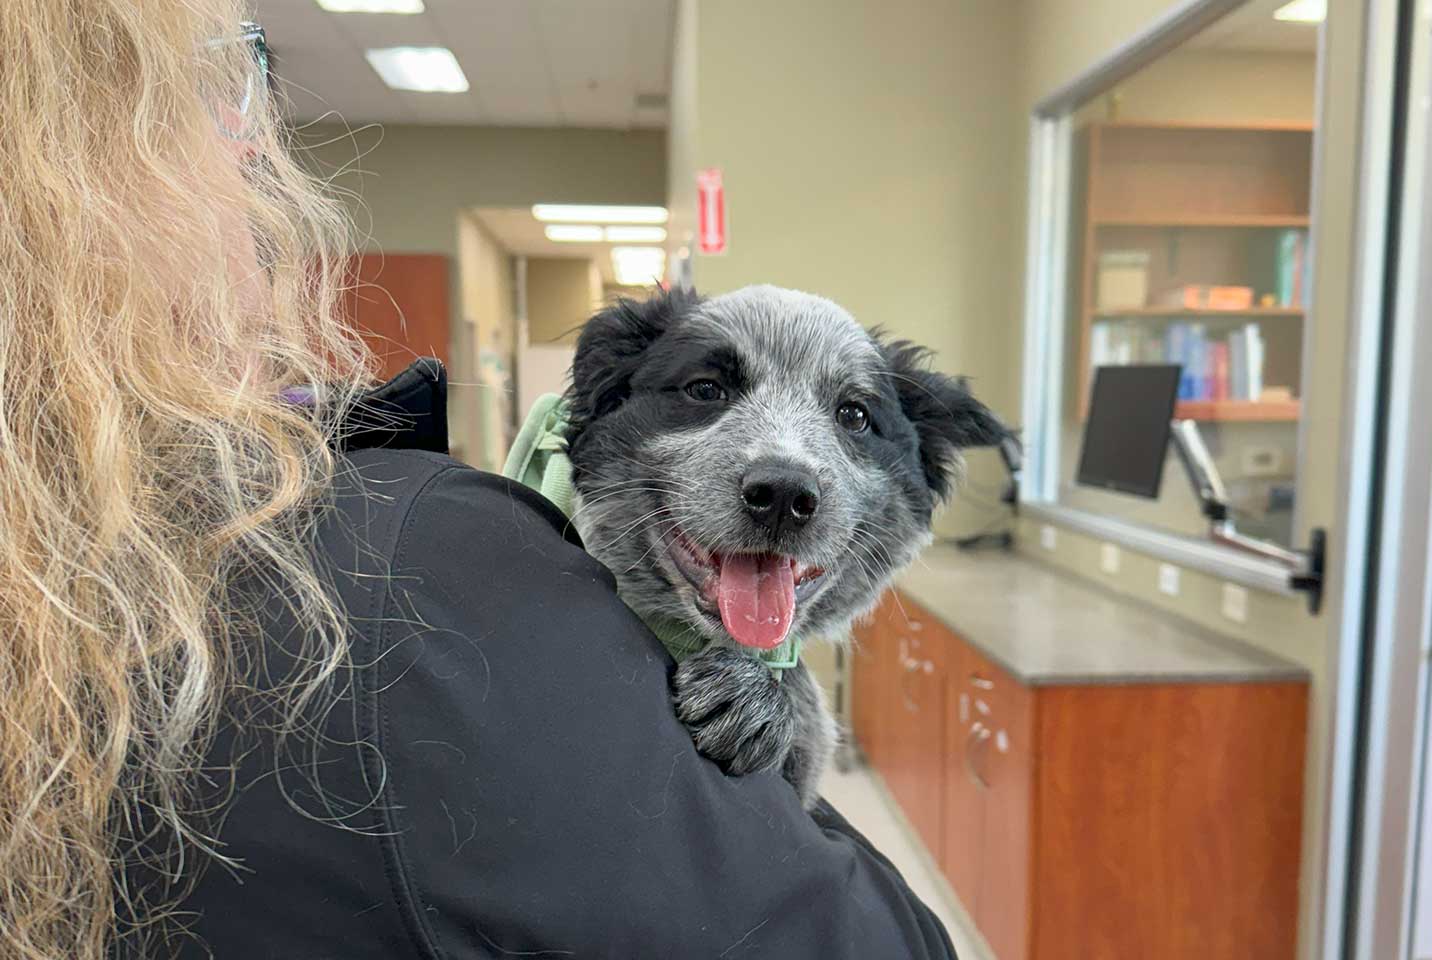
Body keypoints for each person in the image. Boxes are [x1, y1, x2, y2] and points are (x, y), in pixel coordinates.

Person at [0, 4, 953, 959]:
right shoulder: (418, 568)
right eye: (219, 87)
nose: (257, 147)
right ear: (88, 173)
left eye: (251, 77)